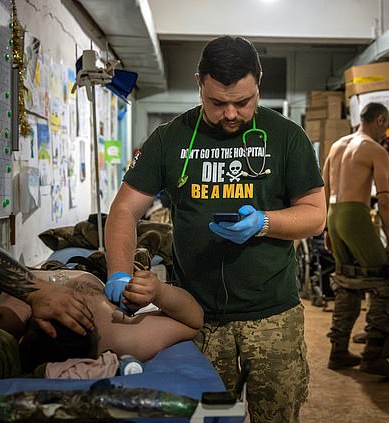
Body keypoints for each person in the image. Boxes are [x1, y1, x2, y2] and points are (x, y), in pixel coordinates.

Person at [104, 36, 325, 422]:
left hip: (272, 314)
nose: (231, 115)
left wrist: (265, 222)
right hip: (196, 316)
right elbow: (124, 209)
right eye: (217, 102)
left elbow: (315, 214)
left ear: (259, 82)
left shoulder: (287, 137)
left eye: (243, 102)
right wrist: (119, 271)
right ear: (198, 84)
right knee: (204, 417)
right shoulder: (169, 139)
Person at [0, 227, 203, 377]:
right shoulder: (115, 336)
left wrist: (34, 290)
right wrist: (158, 292)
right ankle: (143, 249)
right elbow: (193, 320)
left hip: (38, 270)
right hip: (100, 279)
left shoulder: (6, 326)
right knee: (133, 271)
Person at [322, 102, 389, 379]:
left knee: (346, 281)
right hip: (355, 215)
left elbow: (324, 189)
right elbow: (383, 198)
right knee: (386, 281)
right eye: (388, 125)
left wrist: (327, 231)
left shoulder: (337, 145)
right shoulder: (374, 149)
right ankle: (374, 356)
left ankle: (338, 350)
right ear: (380, 120)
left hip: (333, 214)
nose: (387, 131)